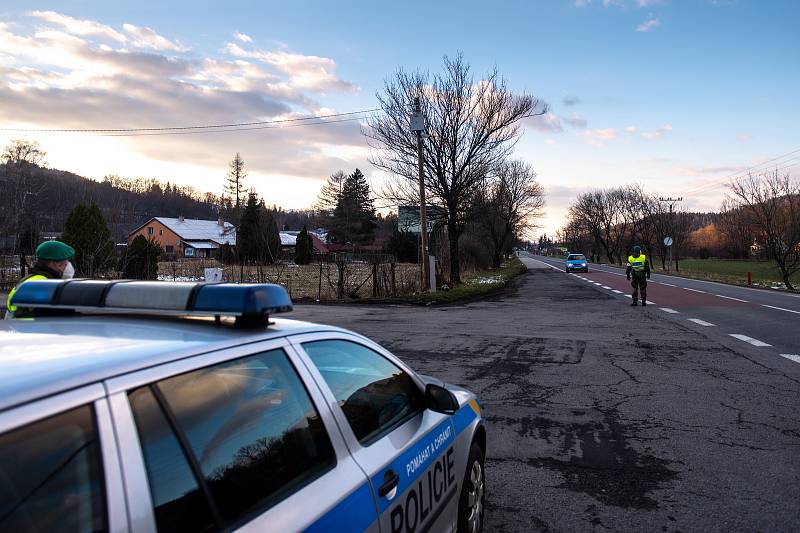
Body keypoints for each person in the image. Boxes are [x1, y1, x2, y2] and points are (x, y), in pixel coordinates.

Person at [5, 240, 75, 318]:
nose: (68, 266)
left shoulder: (30, 280)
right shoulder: (46, 285)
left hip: (17, 327)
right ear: (55, 264)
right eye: (65, 262)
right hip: (32, 328)